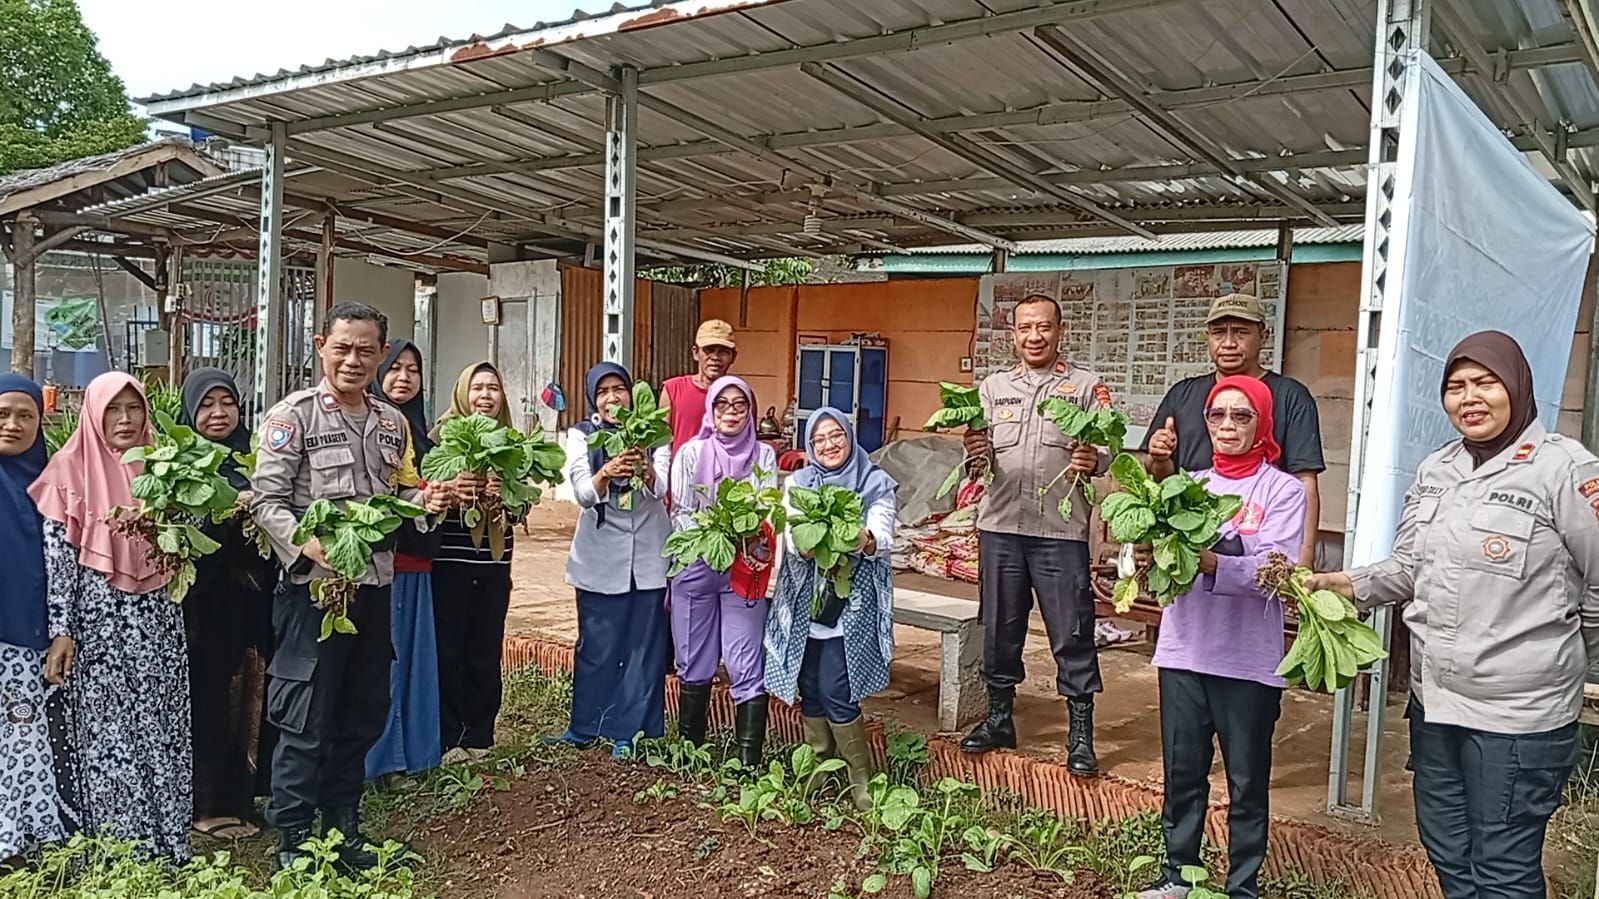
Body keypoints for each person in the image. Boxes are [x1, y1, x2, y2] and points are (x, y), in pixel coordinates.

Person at [1309, 331, 1599, 899]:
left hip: (1519, 715)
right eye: (1456, 386)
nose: (1470, 398)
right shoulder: (1437, 469)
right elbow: (1409, 566)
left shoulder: (1566, 471)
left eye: (1485, 383)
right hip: (1436, 704)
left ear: (1516, 385)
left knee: (1503, 866)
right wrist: (1345, 583)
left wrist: (1570, 655)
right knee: (1446, 848)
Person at [251, 303, 449, 871]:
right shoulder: (293, 417)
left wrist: (426, 501)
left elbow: (396, 497)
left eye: (366, 350)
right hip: (315, 592)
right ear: (321, 347)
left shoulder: (390, 423)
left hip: (373, 588)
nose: (353, 360)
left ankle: (343, 831)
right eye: (342, 348)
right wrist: (308, 545)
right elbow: (266, 501)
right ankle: (294, 841)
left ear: (381, 354)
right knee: (305, 716)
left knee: (362, 712)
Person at [1133, 375, 1305, 899]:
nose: (1227, 425)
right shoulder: (1189, 486)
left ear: (1262, 424)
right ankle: (1178, 875)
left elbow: (1276, 570)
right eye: (1217, 415)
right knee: (1183, 774)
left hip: (1247, 660)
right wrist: (1148, 556)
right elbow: (1160, 559)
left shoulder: (1283, 490)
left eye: (1241, 415)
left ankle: (1242, 887)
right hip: (1184, 651)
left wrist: (1211, 562)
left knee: (1247, 783)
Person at [32, 372, 191, 862]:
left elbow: (185, 544)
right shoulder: (67, 469)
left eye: (134, 408)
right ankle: (121, 851)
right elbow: (58, 564)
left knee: (161, 724)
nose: (125, 419)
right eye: (113, 409)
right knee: (109, 734)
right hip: (97, 622)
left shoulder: (163, 464)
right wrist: (62, 629)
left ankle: (169, 841)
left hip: (158, 616)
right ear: (93, 414)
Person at [958, 294, 1112, 776]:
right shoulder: (993, 388)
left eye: (1043, 327)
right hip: (1000, 527)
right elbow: (976, 460)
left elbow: (1107, 448)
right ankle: (999, 718)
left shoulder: (1085, 386)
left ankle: (1080, 736)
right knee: (1000, 627)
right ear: (1014, 335)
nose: (1034, 336)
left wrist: (1094, 459)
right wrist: (973, 451)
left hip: (1059, 533)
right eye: (1025, 328)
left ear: (1059, 331)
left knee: (1072, 631)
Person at [764, 408, 896, 810]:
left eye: (836, 435)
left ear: (850, 437)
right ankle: (820, 770)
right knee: (810, 688)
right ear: (809, 446)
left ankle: (860, 781)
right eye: (819, 439)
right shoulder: (799, 484)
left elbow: (882, 538)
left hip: (850, 607)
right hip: (805, 605)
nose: (828, 445)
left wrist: (860, 538)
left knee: (838, 689)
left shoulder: (874, 482)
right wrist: (813, 539)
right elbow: (795, 540)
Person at [1141, 293, 1324, 566]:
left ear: (1264, 336)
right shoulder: (1182, 394)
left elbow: (1305, 481)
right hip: (1189, 546)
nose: (1228, 343)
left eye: (1241, 332)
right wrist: (1158, 458)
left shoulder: (1290, 396)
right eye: (1218, 332)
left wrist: (1303, 565)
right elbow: (1161, 478)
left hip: (1259, 538)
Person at [179, 367, 280, 841]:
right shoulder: (178, 465)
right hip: (203, 611)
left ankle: (244, 799)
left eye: (227, 403)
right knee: (209, 700)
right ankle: (206, 806)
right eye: (206, 405)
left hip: (253, 606)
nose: (218, 413)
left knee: (253, 699)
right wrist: (221, 510)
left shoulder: (256, 461)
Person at [558, 361, 672, 757]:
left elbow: (663, 489)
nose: (612, 398)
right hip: (599, 558)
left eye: (619, 389)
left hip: (649, 558)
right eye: (603, 392)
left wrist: (646, 467)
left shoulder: (654, 433)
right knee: (597, 646)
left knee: (643, 649)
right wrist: (606, 471)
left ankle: (632, 731)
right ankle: (586, 725)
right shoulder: (581, 434)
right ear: (593, 398)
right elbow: (583, 494)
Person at [669, 376, 779, 767]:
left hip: (744, 568)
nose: (730, 412)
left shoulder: (763, 455)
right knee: (694, 658)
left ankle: (748, 762)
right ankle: (690, 753)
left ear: (750, 411)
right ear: (710, 410)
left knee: (744, 658)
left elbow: (766, 508)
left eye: (739, 405)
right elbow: (681, 511)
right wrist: (713, 532)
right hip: (697, 565)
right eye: (722, 404)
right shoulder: (691, 452)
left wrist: (741, 533)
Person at [364, 340, 444, 791]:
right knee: (384, 662)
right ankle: (380, 762)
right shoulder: (368, 427)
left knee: (414, 661)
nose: (404, 378)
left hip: (419, 563)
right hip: (381, 563)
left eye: (413, 370)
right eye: (395, 368)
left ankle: (416, 753)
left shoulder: (424, 436)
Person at [430, 361, 517, 764]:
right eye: (477, 387)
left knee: (485, 650)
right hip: (450, 564)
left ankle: (480, 736)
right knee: (448, 652)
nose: (485, 395)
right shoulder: (441, 438)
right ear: (462, 393)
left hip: (494, 566)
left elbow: (520, 509)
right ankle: (449, 739)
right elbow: (427, 496)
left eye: (493, 388)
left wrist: (505, 496)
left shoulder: (512, 443)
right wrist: (454, 490)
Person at [0, 375, 66, 862]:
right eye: (2, 414)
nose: (12, 424)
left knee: (22, 737)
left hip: (24, 634)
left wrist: (60, 629)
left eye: (26, 416)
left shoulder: (51, 484)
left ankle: (19, 838)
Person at [662, 320, 737, 455]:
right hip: (681, 468)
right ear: (696, 353)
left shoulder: (740, 396)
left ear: (733, 357)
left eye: (723, 352)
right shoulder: (673, 389)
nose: (715, 357)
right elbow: (661, 444)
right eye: (709, 350)